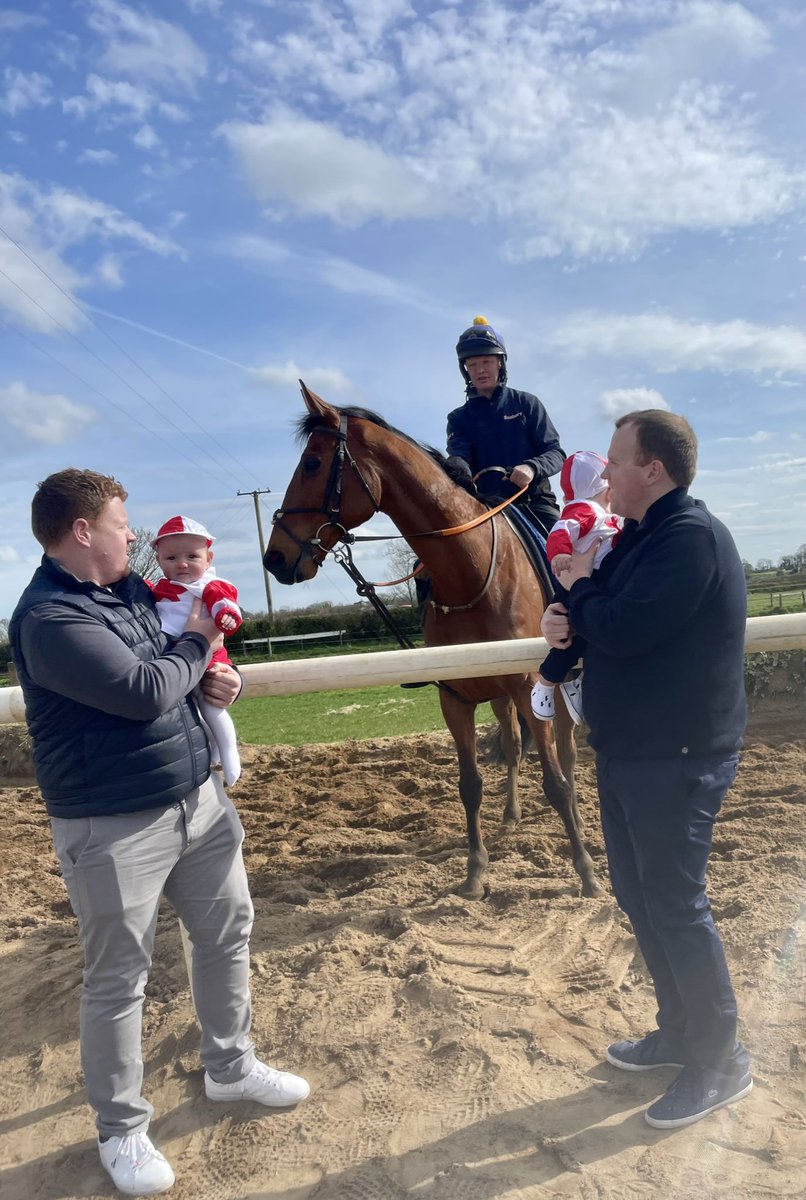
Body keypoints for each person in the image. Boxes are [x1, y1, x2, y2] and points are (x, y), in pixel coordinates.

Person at [9, 470, 310, 1198]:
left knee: (228, 933)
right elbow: (145, 692)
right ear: (83, 532)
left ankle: (231, 1068)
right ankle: (122, 1130)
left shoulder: (135, 593)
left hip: (197, 801)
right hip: (112, 825)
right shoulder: (51, 618)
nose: (134, 536)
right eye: (121, 523)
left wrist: (219, 678)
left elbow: (179, 669)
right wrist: (206, 639)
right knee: (118, 979)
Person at [541, 410, 752, 1130]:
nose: (606, 471)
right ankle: (681, 1033)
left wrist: (576, 583)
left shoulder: (688, 540)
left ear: (651, 469)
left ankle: (721, 1062)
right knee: (642, 897)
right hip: (635, 751)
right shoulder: (642, 539)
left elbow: (625, 625)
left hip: (677, 755)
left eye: (617, 458)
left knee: (676, 906)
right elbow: (599, 616)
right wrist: (565, 613)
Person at [446, 315, 566, 539]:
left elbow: (555, 452)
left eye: (486, 362)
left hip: (533, 505)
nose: (480, 370)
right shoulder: (457, 419)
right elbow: (459, 455)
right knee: (428, 568)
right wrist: (456, 466)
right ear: (466, 370)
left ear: (500, 363)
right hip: (483, 510)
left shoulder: (526, 403)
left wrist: (532, 468)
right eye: (473, 364)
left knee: (568, 555)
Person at [530, 451, 622, 725]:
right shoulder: (582, 509)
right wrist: (559, 552)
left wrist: (530, 466)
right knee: (573, 638)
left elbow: (549, 449)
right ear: (607, 492)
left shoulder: (598, 513)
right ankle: (545, 684)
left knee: (589, 632)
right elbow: (561, 530)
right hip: (579, 581)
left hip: (534, 485)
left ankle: (578, 683)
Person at [151, 515, 243, 787]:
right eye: (171, 558)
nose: (182, 564)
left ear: (209, 559)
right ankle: (214, 752)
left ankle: (230, 755)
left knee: (211, 707)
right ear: (159, 561)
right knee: (196, 712)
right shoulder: (161, 588)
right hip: (179, 659)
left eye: (192, 556)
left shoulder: (210, 585)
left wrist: (226, 616)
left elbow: (225, 604)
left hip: (209, 658)